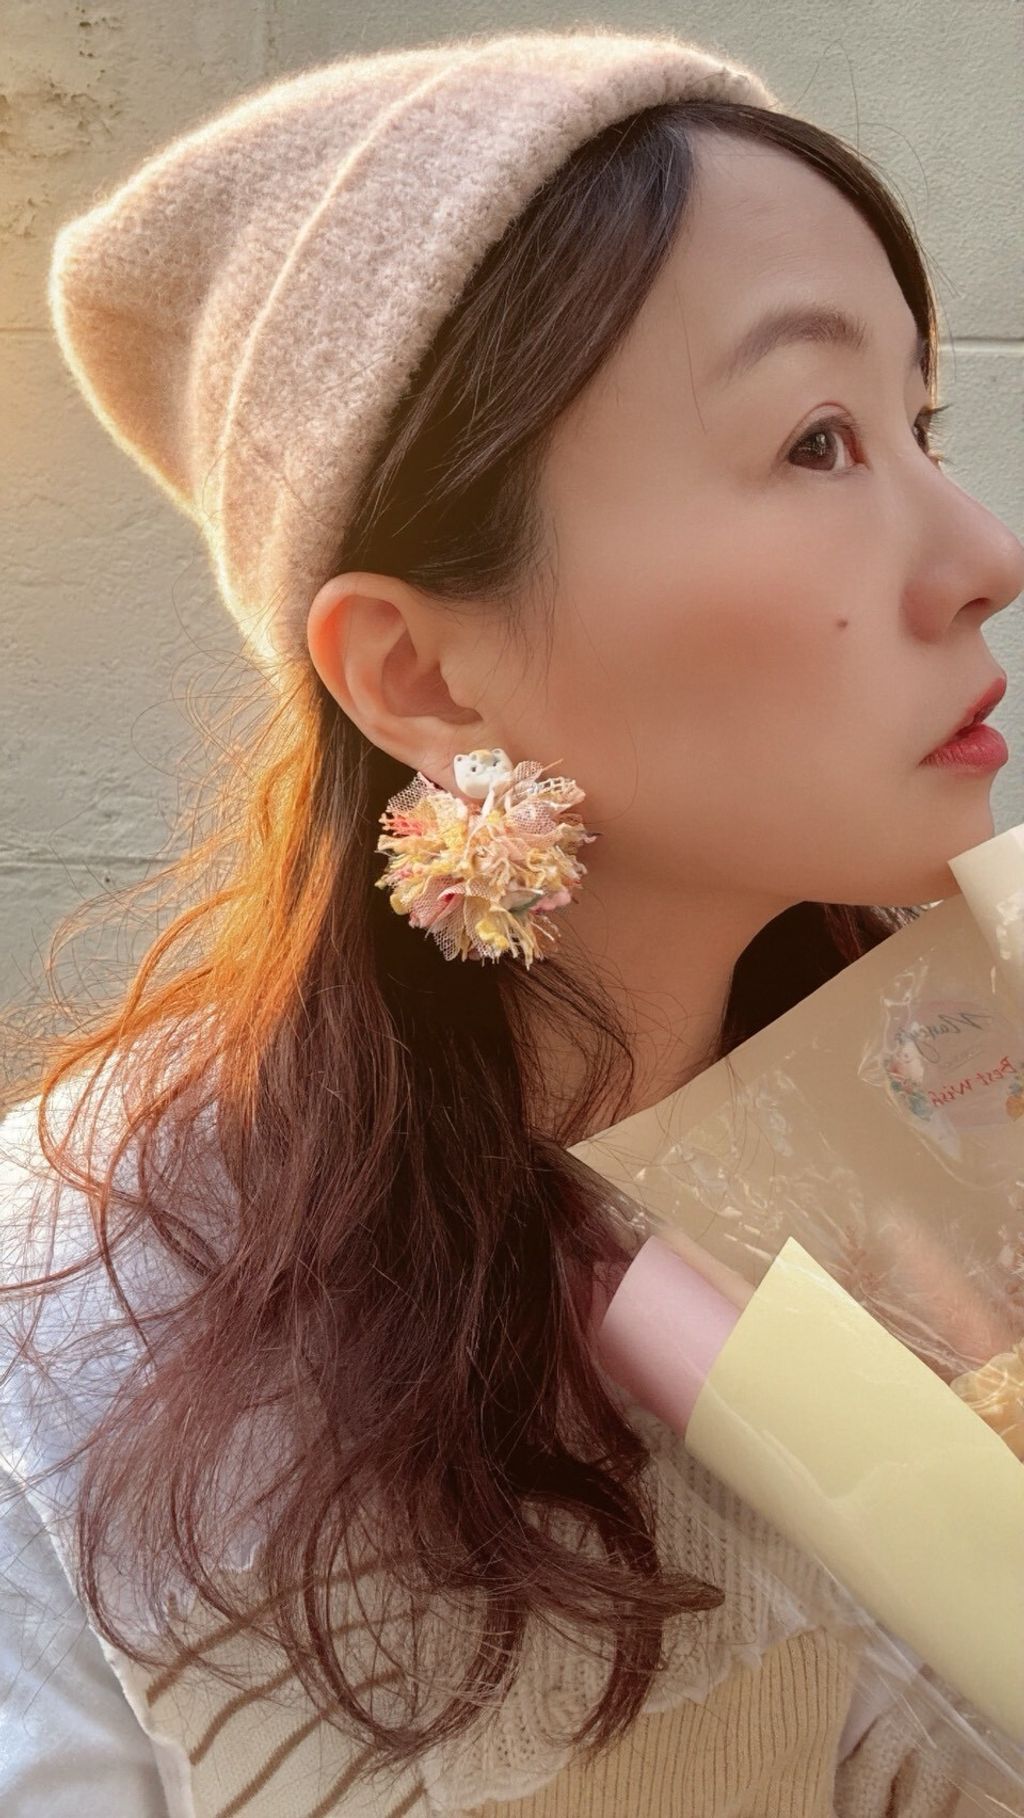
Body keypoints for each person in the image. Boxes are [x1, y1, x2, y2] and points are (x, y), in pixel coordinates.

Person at [1, 27, 1021, 1817]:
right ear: (419, 672)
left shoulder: (948, 1112)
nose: (983, 555)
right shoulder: (69, 1348)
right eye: (817, 440)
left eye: (920, 426)